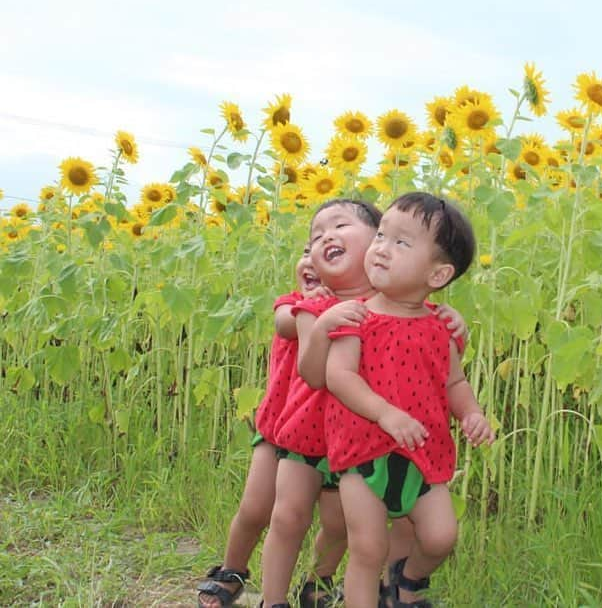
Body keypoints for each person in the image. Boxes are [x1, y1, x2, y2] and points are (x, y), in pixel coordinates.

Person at [259, 198, 468, 608]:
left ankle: (327, 584)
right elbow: (313, 372)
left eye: (340, 229)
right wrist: (321, 329)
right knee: (289, 517)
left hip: (362, 438)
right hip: (310, 430)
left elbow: (436, 359)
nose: (324, 239)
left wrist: (457, 326)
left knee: (344, 528)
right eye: (315, 237)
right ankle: (272, 600)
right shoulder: (319, 304)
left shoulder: (403, 302)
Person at [325, 192, 495, 608]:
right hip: (364, 449)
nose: (381, 247)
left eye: (401, 243)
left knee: (440, 536)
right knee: (368, 549)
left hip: (423, 450)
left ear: (437, 275)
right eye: (382, 235)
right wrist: (385, 413)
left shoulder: (441, 327)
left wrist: (472, 413)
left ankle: (408, 581)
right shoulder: (357, 315)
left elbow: (454, 382)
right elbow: (338, 376)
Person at [197, 242, 328, 608]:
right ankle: (232, 571)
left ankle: (319, 579)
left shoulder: (359, 310)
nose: (312, 260)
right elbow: (286, 323)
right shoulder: (290, 304)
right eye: (306, 250)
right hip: (277, 427)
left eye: (331, 254)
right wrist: (317, 305)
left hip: (333, 436)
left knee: (336, 522)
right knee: (256, 508)